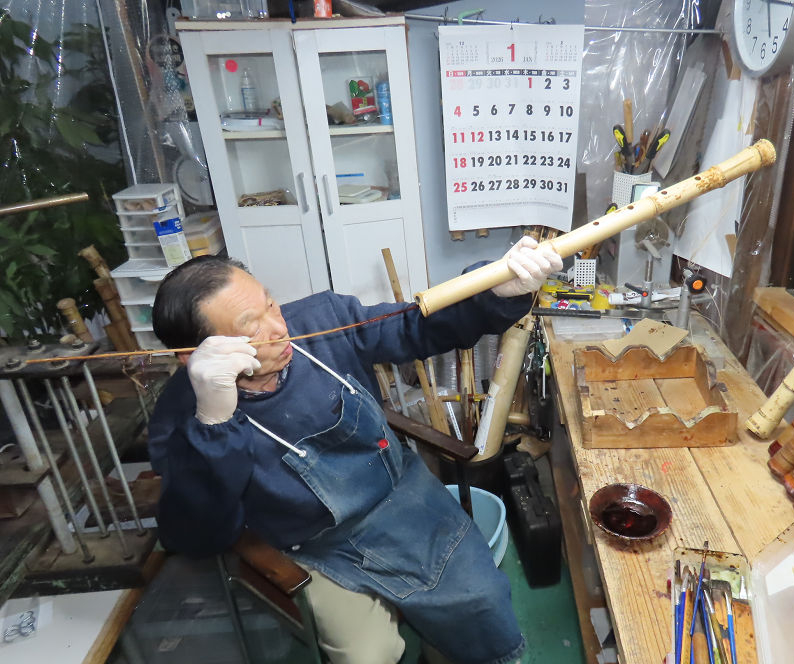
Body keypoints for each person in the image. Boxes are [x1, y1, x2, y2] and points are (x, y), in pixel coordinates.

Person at [147, 237, 562, 664]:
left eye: (271, 304)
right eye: (251, 326)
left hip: (400, 499)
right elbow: (196, 535)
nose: (279, 328)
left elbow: (414, 325)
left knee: (481, 600)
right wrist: (214, 426)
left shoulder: (320, 320)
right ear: (194, 357)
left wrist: (493, 292)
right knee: (369, 655)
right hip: (316, 546)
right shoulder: (180, 418)